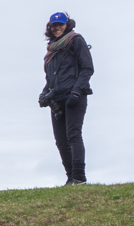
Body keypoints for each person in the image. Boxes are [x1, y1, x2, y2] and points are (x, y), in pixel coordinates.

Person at [39, 12, 94, 185]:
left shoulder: (76, 40)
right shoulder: (52, 49)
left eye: (60, 24)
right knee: (61, 141)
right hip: (57, 99)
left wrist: (76, 92)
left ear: (67, 24)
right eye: (54, 25)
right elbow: (51, 78)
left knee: (73, 135)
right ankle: (70, 178)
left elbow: (87, 68)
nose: (57, 28)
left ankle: (79, 177)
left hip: (74, 96)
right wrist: (44, 93)